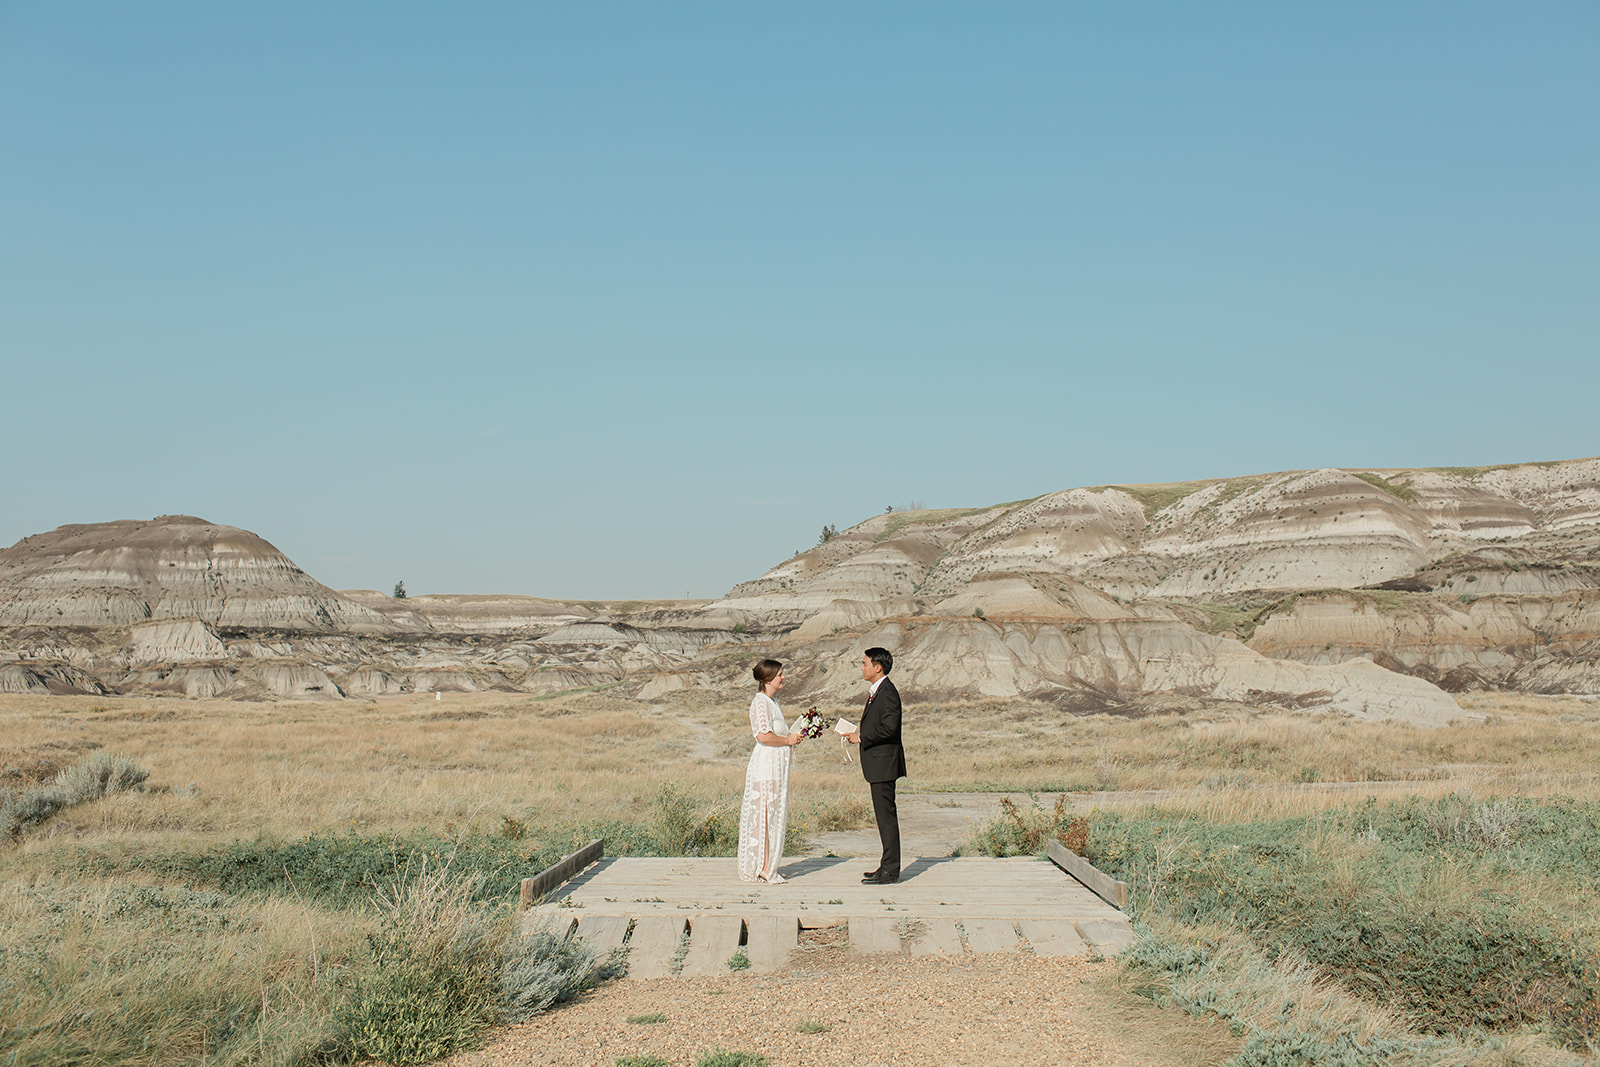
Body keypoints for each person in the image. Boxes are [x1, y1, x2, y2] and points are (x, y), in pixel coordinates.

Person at [737, 658, 804, 883]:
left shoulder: (772, 702)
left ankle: (767, 864)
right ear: (767, 679)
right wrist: (787, 739)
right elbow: (763, 736)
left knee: (773, 813)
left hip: (777, 764)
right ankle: (763, 866)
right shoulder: (760, 703)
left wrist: (792, 739)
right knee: (766, 813)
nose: (783, 678)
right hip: (767, 765)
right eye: (779, 675)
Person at [844, 646, 905, 884]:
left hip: (883, 764)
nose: (862, 667)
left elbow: (890, 727)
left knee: (886, 817)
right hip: (878, 764)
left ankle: (891, 870)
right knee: (883, 818)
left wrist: (862, 737)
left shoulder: (887, 692)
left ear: (877, 667)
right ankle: (886, 866)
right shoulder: (877, 691)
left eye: (864, 663)